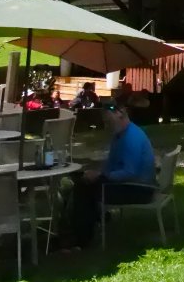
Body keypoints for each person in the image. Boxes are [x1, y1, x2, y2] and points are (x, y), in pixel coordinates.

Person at [65, 104, 156, 248]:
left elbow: (129, 172)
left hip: (140, 189)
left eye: (109, 121)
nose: (107, 125)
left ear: (121, 113)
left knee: (84, 190)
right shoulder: (120, 135)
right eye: (106, 122)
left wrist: (101, 175)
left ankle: (82, 239)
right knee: (82, 180)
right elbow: (111, 164)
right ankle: (90, 221)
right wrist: (96, 174)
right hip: (130, 184)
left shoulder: (131, 137)